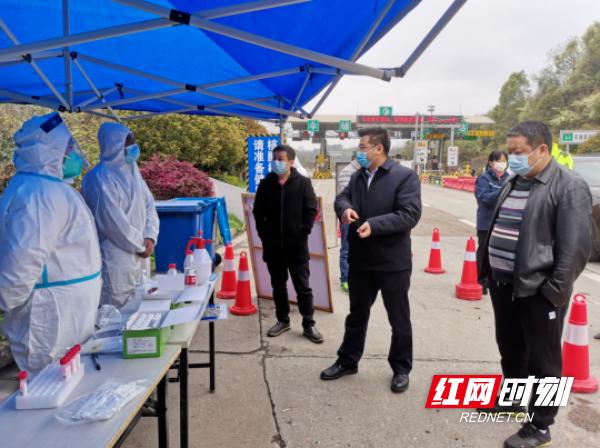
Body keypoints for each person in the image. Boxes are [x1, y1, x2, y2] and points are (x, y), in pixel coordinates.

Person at [479, 121, 592, 448]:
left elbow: (576, 249)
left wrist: (553, 292)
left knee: (544, 363)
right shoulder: (514, 181)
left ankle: (541, 426)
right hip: (504, 285)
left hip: (539, 292)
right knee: (510, 348)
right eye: (509, 152)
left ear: (542, 149)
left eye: (518, 152)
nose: (510, 159)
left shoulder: (569, 186)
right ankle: (513, 398)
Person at [321, 128, 422, 393]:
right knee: (356, 315)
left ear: (379, 149)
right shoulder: (358, 177)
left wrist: (374, 225)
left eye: (363, 147)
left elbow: (409, 214)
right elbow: (341, 197)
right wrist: (345, 209)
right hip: (361, 261)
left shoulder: (404, 177)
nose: (359, 152)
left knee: (399, 320)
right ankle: (348, 360)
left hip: (392, 263)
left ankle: (401, 369)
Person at [0, 113, 102, 372]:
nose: (75, 154)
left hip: (64, 313)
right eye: (69, 148)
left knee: (66, 387)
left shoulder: (50, 188)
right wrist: (7, 301)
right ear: (49, 151)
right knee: (47, 390)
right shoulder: (38, 194)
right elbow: (21, 262)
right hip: (50, 318)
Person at [82, 123, 159, 310]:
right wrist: (140, 245)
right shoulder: (98, 178)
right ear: (114, 146)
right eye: (128, 143)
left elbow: (149, 205)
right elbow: (112, 223)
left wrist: (150, 236)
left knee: (140, 307)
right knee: (115, 313)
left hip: (141, 253)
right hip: (116, 257)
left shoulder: (134, 172)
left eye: (133, 142)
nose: (134, 148)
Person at [252, 144, 322, 343]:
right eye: (274, 158)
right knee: (278, 286)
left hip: (296, 247)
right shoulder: (266, 184)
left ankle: (309, 324)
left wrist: (302, 232)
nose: (277, 162)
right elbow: (258, 213)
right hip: (273, 247)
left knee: (303, 287)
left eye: (281, 159)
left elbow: (311, 210)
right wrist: (264, 235)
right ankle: (282, 320)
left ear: (291, 161)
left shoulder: (303, 183)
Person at [475, 150, 509, 295]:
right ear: (491, 162)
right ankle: (481, 281)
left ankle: (493, 280)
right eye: (499, 161)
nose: (502, 164)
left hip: (503, 223)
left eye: (504, 161)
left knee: (498, 254)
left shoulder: (509, 178)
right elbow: (484, 198)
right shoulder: (484, 179)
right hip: (486, 223)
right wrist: (503, 191)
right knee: (484, 253)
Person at [337, 154, 360, 293]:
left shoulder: (370, 171)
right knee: (346, 249)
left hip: (365, 217)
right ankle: (345, 279)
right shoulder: (347, 172)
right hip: (349, 217)